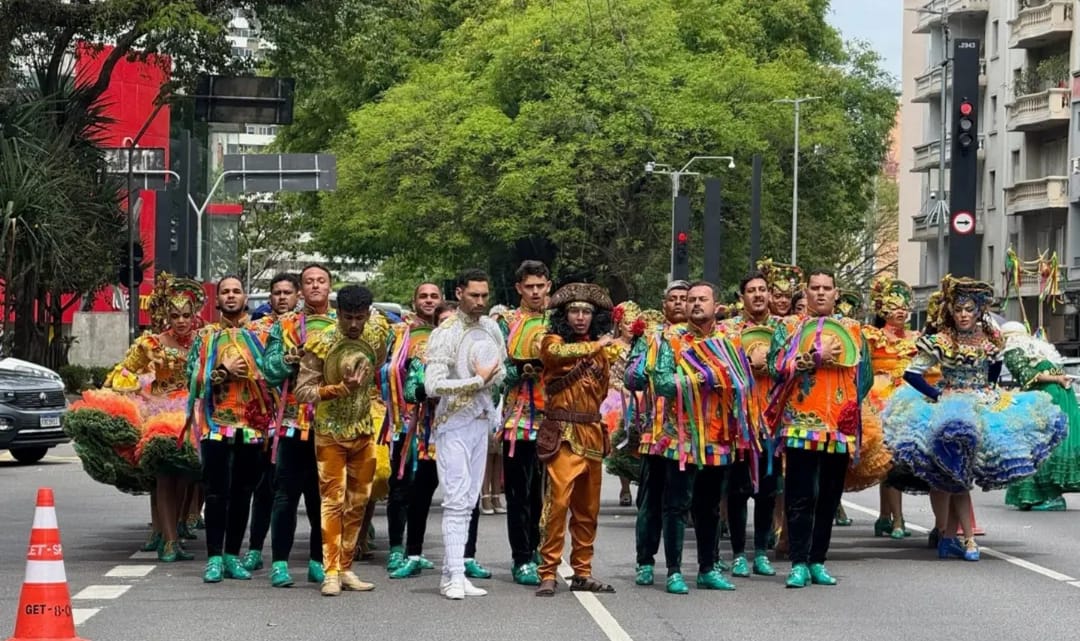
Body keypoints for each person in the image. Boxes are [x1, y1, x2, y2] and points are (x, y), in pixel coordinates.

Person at [883, 276, 1066, 562]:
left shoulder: (990, 339)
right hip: (950, 408)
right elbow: (911, 374)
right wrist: (936, 394)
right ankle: (953, 535)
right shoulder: (941, 340)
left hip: (983, 407)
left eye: (969, 309)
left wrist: (990, 389)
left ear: (978, 311)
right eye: (958, 310)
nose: (964, 315)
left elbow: (995, 367)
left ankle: (952, 537)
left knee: (960, 475)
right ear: (951, 312)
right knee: (947, 475)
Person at [767, 270, 871, 588]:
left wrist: (851, 407)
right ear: (806, 292)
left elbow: (864, 374)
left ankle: (818, 560)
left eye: (827, 288)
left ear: (836, 293)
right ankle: (798, 561)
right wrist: (810, 359)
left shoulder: (852, 329)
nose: (821, 293)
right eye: (815, 288)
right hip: (800, 423)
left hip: (839, 426)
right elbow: (774, 366)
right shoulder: (787, 327)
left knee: (829, 495)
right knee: (800, 495)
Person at [294, 285, 391, 596]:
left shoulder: (376, 334)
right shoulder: (321, 343)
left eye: (359, 318)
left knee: (358, 504)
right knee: (332, 502)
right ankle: (330, 571)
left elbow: (378, 362)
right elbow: (302, 391)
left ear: (367, 315)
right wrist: (338, 389)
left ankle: (347, 567)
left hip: (363, 428)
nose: (353, 324)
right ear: (337, 314)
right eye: (348, 317)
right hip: (329, 432)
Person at [104, 272, 206, 561]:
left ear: (194, 314)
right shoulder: (152, 343)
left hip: (193, 413)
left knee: (185, 476)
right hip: (160, 414)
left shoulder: (205, 341)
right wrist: (135, 388)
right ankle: (169, 541)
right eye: (175, 316)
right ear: (167, 317)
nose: (182, 320)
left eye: (186, 314)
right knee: (162, 478)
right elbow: (122, 373)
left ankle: (172, 531)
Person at [391, 301, 492, 580]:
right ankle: (412, 554)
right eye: (444, 322)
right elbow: (412, 391)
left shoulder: (478, 353)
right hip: (431, 436)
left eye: (454, 322)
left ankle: (465, 557)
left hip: (468, 431)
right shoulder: (425, 355)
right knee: (419, 496)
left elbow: (496, 385)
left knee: (468, 497)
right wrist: (430, 388)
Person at [425, 268, 507, 600]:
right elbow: (432, 385)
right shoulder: (445, 332)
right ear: (459, 293)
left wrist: (489, 382)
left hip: (480, 421)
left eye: (485, 295)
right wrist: (476, 381)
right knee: (457, 500)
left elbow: (500, 372)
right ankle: (454, 575)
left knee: (470, 501)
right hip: (453, 423)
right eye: (474, 295)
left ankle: (453, 571)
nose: (480, 301)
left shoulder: (490, 328)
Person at [186, 276, 272, 583]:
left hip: (252, 425)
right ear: (217, 300)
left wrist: (253, 370)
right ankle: (213, 558)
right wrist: (221, 372)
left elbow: (273, 374)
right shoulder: (205, 336)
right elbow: (192, 381)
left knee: (243, 493)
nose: (231, 296)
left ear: (245, 297)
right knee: (217, 492)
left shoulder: (262, 334)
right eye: (225, 292)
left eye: (236, 291)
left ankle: (233, 555)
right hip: (216, 424)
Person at [535, 283, 616, 596]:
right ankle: (548, 572)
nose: (580, 317)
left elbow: (603, 390)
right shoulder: (551, 342)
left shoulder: (601, 353)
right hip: (564, 435)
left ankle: (582, 571)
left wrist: (599, 347)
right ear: (563, 315)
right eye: (574, 311)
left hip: (592, 434)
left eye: (586, 312)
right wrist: (597, 346)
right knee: (557, 505)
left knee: (588, 509)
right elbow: (556, 355)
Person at [260, 264, 335, 587]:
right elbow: (269, 370)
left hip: (332, 423)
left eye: (321, 281)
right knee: (285, 496)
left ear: (330, 287)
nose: (315, 286)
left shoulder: (341, 326)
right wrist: (292, 357)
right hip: (292, 422)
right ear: (300, 290)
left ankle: (319, 561)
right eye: (309, 282)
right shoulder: (286, 325)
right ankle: (279, 563)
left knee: (324, 497)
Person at [720, 272, 782, 578]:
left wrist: (769, 364)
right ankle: (737, 554)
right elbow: (720, 368)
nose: (758, 295)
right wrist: (746, 364)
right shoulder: (728, 331)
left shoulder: (784, 330)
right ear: (741, 297)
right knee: (737, 489)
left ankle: (761, 552)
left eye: (762, 290)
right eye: (751, 291)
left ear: (769, 295)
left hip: (772, 421)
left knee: (768, 490)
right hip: (739, 422)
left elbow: (793, 366)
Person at [241, 272, 301, 573]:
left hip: (297, 418)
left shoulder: (305, 328)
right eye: (276, 292)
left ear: (297, 296)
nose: (281, 297)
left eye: (287, 292)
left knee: (294, 490)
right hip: (261, 417)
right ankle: (254, 548)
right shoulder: (253, 330)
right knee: (262, 487)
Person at [497, 260, 552, 585]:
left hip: (553, 418)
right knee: (519, 492)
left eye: (540, 286)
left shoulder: (557, 319)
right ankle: (522, 557)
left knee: (546, 492)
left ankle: (542, 548)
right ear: (519, 288)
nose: (535, 292)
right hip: (518, 421)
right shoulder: (505, 322)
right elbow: (497, 368)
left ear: (548, 285)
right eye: (529, 286)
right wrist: (522, 370)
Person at [857, 275, 920, 539]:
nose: (900, 310)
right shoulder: (871, 337)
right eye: (894, 305)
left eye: (904, 305)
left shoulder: (917, 337)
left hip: (910, 400)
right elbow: (861, 369)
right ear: (882, 308)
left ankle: (886, 516)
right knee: (887, 459)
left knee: (899, 461)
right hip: (879, 401)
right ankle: (897, 519)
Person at [1001, 322, 1080, 511]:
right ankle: (1046, 494)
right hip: (1062, 396)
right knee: (1049, 444)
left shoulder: (1013, 350)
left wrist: (1055, 379)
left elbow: (1026, 375)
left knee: (1035, 445)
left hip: (1044, 398)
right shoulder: (1039, 347)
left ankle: (1044, 495)